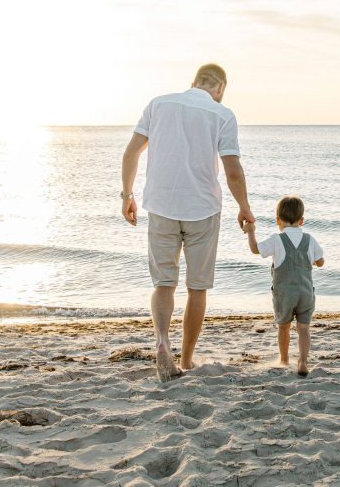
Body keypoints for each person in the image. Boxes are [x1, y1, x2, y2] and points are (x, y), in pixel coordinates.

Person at [121, 63, 254, 382]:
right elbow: (233, 170)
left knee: (164, 283)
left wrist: (127, 195)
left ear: (193, 82)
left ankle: (162, 342)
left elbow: (131, 154)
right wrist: (244, 207)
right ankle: (188, 357)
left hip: (161, 206)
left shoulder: (159, 104)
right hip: (203, 209)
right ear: (220, 88)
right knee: (197, 288)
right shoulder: (222, 115)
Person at [243, 195, 324, 376]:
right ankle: (303, 361)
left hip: (284, 294)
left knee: (284, 326)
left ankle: (284, 359)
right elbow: (321, 262)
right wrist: (312, 260)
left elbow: (256, 249)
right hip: (305, 293)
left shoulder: (277, 239)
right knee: (303, 328)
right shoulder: (310, 239)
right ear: (301, 221)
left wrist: (250, 231)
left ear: (278, 220)